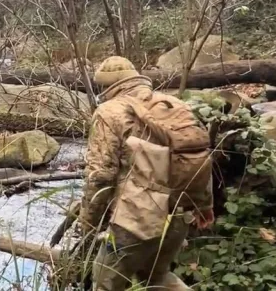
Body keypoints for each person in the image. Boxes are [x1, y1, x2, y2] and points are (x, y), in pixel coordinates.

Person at [80, 56, 215, 291]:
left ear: (105, 86)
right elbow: (198, 156)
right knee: (157, 279)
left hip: (136, 220)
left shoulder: (109, 111)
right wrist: (204, 205)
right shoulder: (174, 105)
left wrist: (87, 225)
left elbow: (101, 176)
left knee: (104, 284)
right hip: (178, 214)